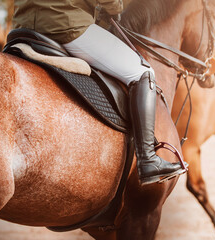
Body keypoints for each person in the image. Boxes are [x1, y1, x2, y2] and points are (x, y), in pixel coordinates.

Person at [11, 0, 185, 185]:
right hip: (66, 25)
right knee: (142, 72)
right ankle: (148, 159)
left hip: (23, 26)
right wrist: (115, 7)